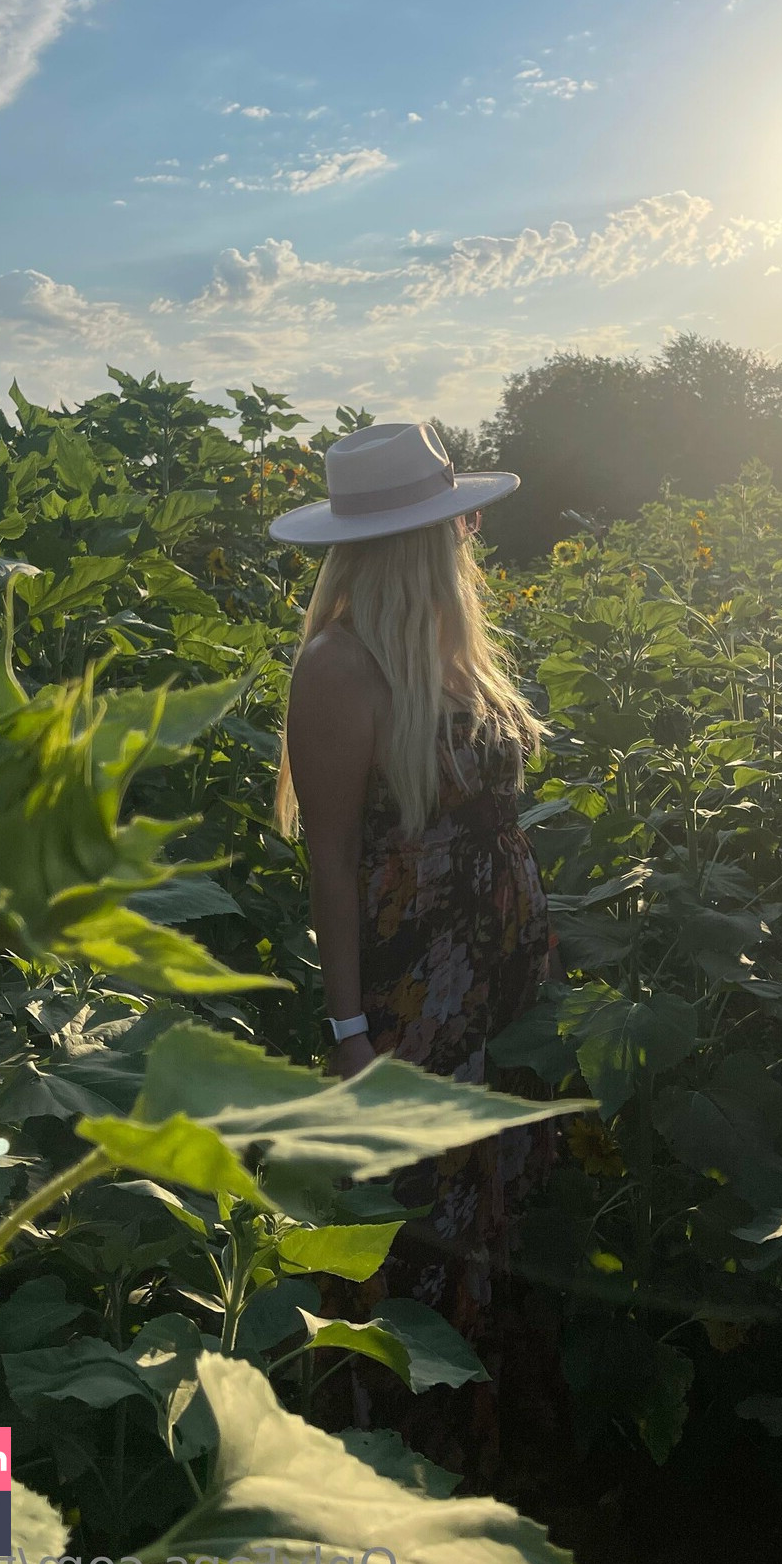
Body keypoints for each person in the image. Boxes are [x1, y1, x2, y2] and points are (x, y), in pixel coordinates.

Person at [268, 420, 568, 1496]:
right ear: (417, 538)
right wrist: (350, 1034)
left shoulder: (446, 647)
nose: (473, 531)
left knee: (503, 1214)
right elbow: (335, 864)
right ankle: (409, 1476)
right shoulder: (339, 666)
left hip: (502, 980)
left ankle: (507, 1460)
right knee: (424, 1232)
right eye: (457, 519)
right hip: (418, 996)